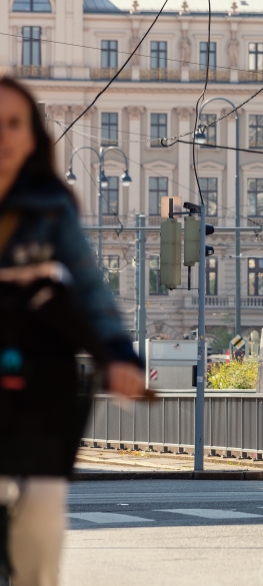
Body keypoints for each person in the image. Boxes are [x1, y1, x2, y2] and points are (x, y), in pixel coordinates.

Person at [0, 77, 149, 586]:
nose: (2, 136)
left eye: (14, 123)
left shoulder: (51, 207)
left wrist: (118, 353)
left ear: (32, 136)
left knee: (41, 513)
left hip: (36, 380)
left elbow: (88, 286)